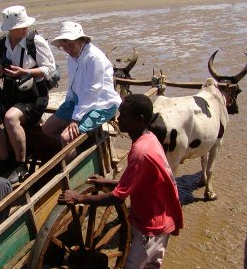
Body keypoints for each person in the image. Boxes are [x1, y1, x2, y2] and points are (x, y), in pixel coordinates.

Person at [58, 94, 184, 269]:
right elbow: (140, 180)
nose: (118, 118)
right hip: (161, 213)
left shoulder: (141, 151)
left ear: (139, 120)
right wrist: (109, 183)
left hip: (152, 225)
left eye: (124, 115)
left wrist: (79, 198)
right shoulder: (148, 138)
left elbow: (118, 198)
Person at [0, 5, 56, 184]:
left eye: (25, 25)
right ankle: (5, 161)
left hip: (34, 96)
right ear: (10, 29)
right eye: (20, 27)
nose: (24, 29)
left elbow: (50, 69)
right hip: (9, 94)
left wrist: (25, 72)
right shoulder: (0, 45)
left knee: (10, 118)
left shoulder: (36, 41)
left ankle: (20, 165)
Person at [42, 21, 121, 158]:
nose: (68, 50)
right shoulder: (71, 58)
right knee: (47, 129)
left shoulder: (94, 58)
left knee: (66, 137)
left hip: (102, 104)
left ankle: (70, 168)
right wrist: (68, 107)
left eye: (71, 45)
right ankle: (74, 151)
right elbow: (73, 86)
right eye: (64, 46)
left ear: (81, 41)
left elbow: (92, 92)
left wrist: (76, 119)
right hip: (78, 101)